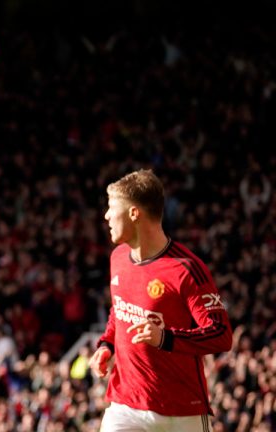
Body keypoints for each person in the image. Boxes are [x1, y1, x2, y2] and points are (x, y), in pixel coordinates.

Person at [89, 169, 233, 431]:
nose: (106, 216)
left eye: (112, 208)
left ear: (134, 213)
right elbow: (119, 308)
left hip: (181, 411)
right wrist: (107, 344)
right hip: (126, 406)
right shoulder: (118, 258)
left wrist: (165, 338)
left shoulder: (186, 269)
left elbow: (221, 335)